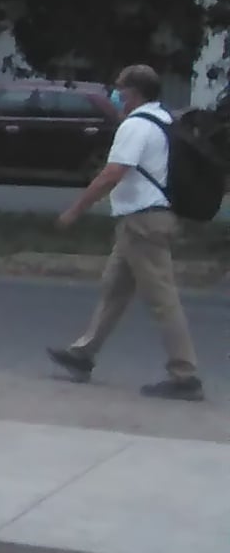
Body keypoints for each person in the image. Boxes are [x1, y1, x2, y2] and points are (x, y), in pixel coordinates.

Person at [51, 64, 204, 400]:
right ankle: (82, 354)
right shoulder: (163, 118)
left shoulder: (136, 126)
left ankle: (185, 375)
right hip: (147, 218)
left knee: (162, 299)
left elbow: (112, 173)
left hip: (142, 222)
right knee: (115, 289)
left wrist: (75, 210)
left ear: (133, 92)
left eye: (119, 88)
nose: (115, 93)